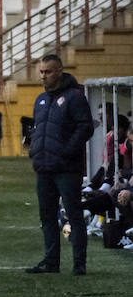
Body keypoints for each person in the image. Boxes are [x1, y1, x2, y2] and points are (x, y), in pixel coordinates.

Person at [25, 54, 94, 275]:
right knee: (47, 216)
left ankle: (79, 263)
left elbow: (86, 127)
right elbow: (39, 128)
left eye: (49, 72)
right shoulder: (41, 100)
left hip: (66, 168)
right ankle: (51, 262)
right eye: (42, 72)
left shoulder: (75, 97)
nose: (44, 76)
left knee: (73, 214)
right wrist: (35, 149)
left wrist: (66, 152)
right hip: (44, 167)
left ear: (60, 71)